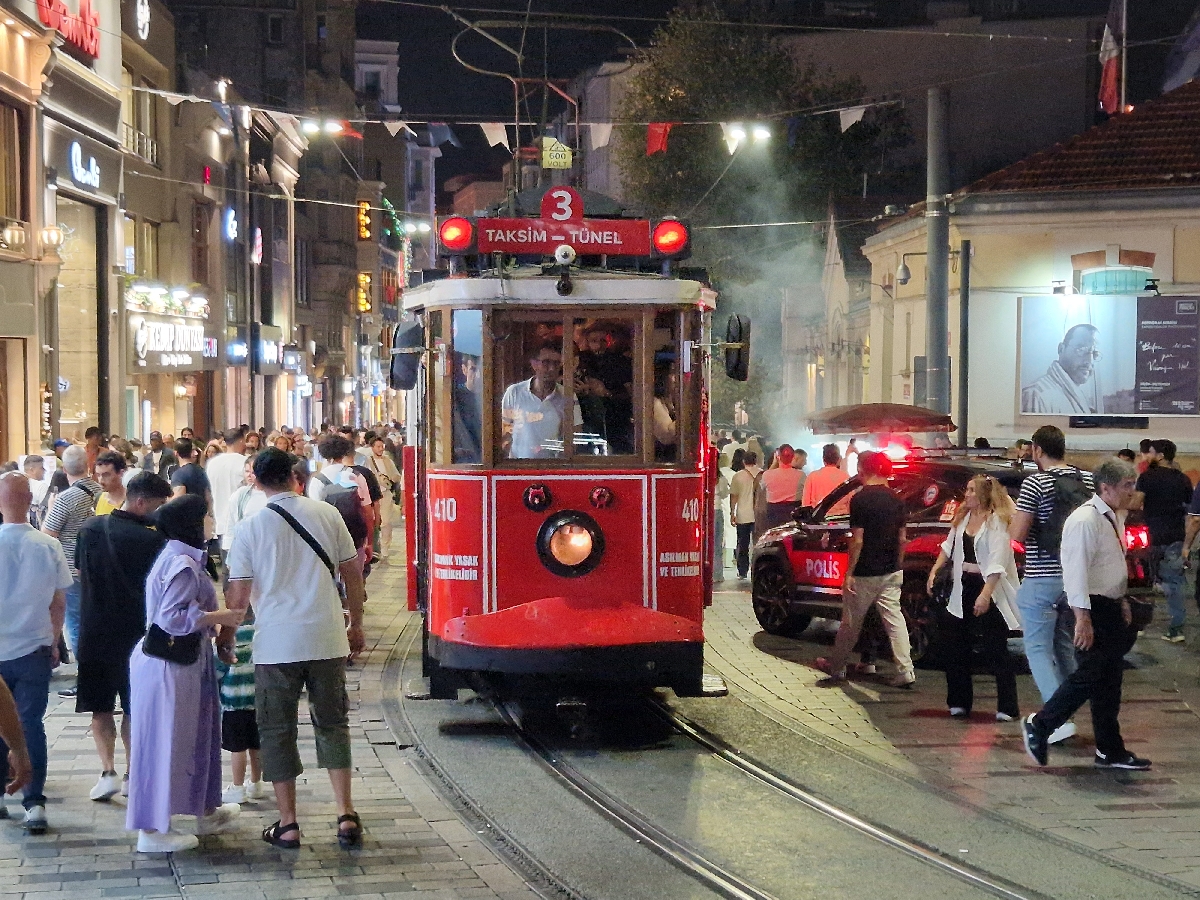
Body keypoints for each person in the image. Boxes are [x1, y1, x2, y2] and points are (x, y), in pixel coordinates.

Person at [222, 449, 367, 850]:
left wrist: (226, 638)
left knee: (276, 730)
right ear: (293, 475)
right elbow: (353, 574)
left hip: (276, 644)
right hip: (326, 638)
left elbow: (238, 597)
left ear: (257, 480)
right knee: (333, 723)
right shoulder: (327, 514)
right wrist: (356, 623)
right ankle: (345, 814)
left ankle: (288, 823)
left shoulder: (250, 527)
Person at [125, 495, 244, 853]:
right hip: (170, 666)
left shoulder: (184, 559)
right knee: (166, 743)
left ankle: (204, 809)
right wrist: (218, 618)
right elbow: (171, 619)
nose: (211, 519)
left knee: (197, 737)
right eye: (206, 515)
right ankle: (152, 829)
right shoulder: (183, 564)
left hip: (184, 663)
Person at [1022, 458, 1148, 770]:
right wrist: (1082, 617)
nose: (1133, 491)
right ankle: (1040, 725)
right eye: (1126, 486)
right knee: (1090, 675)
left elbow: (1109, 565)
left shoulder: (1111, 516)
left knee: (1109, 680)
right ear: (1106, 488)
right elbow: (1074, 573)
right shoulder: (1084, 520)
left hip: (1108, 606)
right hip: (1088, 607)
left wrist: (1121, 600)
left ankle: (1110, 750)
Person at [74, 472, 172, 803]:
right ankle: (133, 773)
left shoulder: (90, 529)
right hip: (136, 637)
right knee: (134, 707)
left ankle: (107, 772)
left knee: (99, 708)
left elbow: (79, 570)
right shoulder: (154, 539)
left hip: (94, 632)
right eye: (159, 504)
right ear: (142, 502)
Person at [1008, 425, 1094, 744]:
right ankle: (1068, 710)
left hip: (1042, 576)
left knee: (1038, 650)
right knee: (1063, 646)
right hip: (1076, 579)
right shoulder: (1086, 480)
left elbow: (1017, 534)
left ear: (1036, 450)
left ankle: (1055, 721)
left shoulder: (1035, 483)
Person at [0, 471, 70, 832]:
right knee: (30, 725)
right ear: (30, 501)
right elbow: (58, 603)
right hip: (33, 647)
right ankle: (34, 803)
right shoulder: (48, 545)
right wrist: (55, 639)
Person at [816, 451, 915, 688]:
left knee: (851, 622)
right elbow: (902, 538)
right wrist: (897, 563)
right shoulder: (897, 499)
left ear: (863, 469)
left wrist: (850, 571)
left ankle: (837, 667)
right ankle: (906, 670)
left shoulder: (860, 500)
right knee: (894, 621)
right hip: (891, 569)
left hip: (865, 571)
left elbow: (858, 540)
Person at [926, 475, 1022, 721]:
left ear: (982, 495)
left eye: (971, 490)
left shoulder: (996, 522)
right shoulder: (962, 518)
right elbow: (948, 547)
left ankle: (1007, 706)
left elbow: (998, 561)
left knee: (995, 647)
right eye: (966, 489)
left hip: (987, 585)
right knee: (955, 645)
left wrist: (985, 594)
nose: (966, 494)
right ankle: (958, 701)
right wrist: (935, 570)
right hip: (962, 585)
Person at [41, 446, 100, 674]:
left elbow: (47, 534)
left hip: (72, 568)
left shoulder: (66, 498)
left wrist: (51, 508)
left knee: (75, 623)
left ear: (64, 468)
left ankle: (85, 674)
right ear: (88, 465)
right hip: (98, 567)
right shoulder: (101, 492)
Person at [1136, 439, 1193, 642]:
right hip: (1176, 536)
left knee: (1144, 582)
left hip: (1150, 536)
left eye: (1150, 452)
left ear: (1160, 455)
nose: (1147, 456)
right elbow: (1189, 508)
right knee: (1174, 583)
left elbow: (1136, 503)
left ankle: (1139, 625)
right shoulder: (1183, 479)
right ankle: (1176, 630)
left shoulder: (1147, 477)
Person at [216, 608, 264, 804]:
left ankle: (237, 787)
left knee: (238, 748)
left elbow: (218, 667)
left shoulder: (230, 635)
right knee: (256, 745)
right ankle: (256, 783)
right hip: (258, 698)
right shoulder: (261, 632)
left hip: (234, 701)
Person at [501, 343, 583, 459]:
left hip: (552, 469)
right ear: (534, 364)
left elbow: (576, 433)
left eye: (556, 363)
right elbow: (504, 431)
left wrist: (562, 458)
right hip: (519, 468)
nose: (551, 368)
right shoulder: (515, 393)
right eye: (546, 362)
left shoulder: (568, 396)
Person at [1022, 323, 1106, 414]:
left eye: (1094, 353)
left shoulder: (1077, 395)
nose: (1089, 360)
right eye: (1081, 350)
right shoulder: (1037, 395)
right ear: (1061, 349)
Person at [208, 428, 249, 559]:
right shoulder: (245, 462)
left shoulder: (212, 463)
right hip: (240, 519)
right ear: (242, 440)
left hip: (219, 517)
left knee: (227, 565)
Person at [365, 437, 401, 559]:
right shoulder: (367, 461)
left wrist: (390, 479)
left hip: (385, 494)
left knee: (386, 522)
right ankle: (375, 546)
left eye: (382, 446)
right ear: (372, 448)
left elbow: (396, 475)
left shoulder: (388, 460)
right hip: (371, 495)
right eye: (378, 446)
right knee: (373, 521)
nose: (380, 449)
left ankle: (385, 547)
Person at [729, 451, 762, 579]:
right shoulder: (762, 474)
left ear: (743, 461)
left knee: (742, 544)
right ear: (756, 461)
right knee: (758, 544)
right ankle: (757, 570)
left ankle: (742, 571)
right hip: (758, 515)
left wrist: (732, 512)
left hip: (743, 514)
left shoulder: (738, 476)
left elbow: (734, 496)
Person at [759, 445, 807, 532]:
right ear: (793, 457)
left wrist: (774, 463)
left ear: (778, 457)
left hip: (773, 512)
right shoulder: (801, 475)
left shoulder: (767, 475)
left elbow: (762, 487)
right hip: (793, 511)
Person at [453, 354, 483, 463]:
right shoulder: (455, 397)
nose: (478, 375)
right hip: (464, 460)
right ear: (464, 369)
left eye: (481, 369)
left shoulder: (490, 397)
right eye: (473, 370)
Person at [802, 443, 848, 509]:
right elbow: (850, 503)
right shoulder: (845, 477)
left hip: (818, 518)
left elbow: (805, 504)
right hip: (841, 518)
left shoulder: (812, 476)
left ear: (823, 459)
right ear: (839, 459)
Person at [93, 450, 128, 515]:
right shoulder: (98, 498)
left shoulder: (132, 502)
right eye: (98, 475)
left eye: (106, 475)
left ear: (121, 473)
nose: (100, 480)